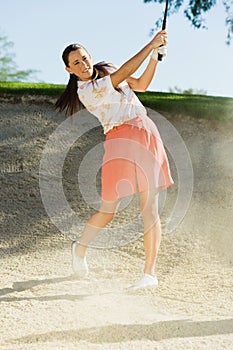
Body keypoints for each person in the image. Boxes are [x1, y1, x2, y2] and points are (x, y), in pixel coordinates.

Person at [56, 30, 173, 290]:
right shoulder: (86, 90)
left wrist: (156, 55)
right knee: (109, 210)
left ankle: (149, 274)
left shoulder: (105, 68)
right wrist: (150, 44)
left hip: (145, 132)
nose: (84, 65)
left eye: (85, 58)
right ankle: (80, 247)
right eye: (76, 63)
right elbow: (120, 77)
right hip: (118, 141)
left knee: (150, 208)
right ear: (69, 69)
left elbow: (140, 85)